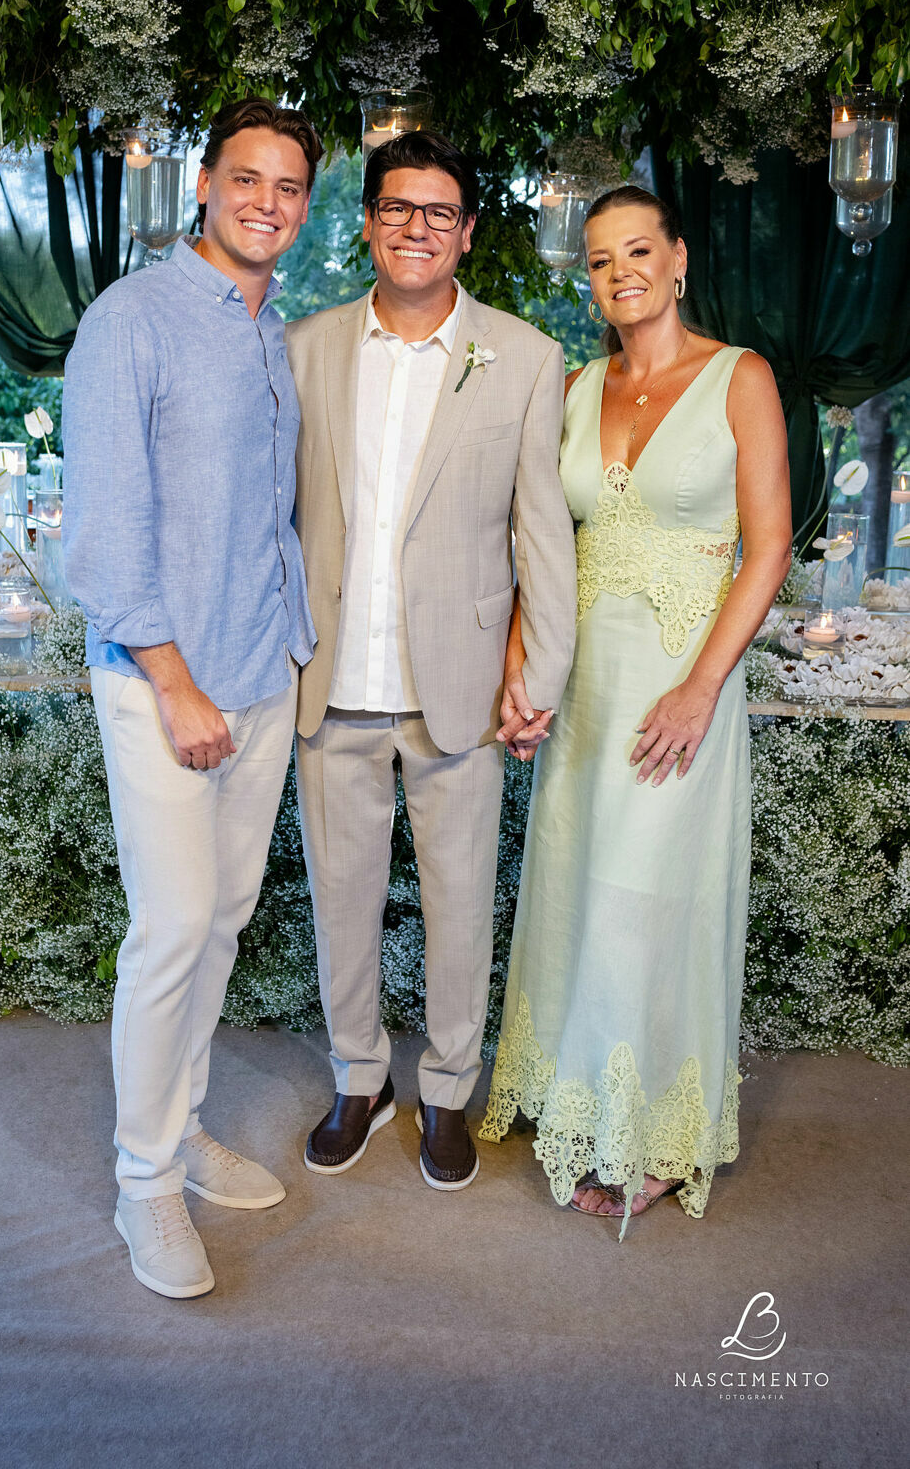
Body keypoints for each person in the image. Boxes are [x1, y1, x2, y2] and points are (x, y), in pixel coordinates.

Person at [480, 185, 792, 1237]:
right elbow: (539, 550)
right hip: (583, 686)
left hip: (676, 686)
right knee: (573, 888)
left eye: (637, 251)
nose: (619, 271)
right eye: (600, 259)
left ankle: (642, 1131)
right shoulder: (573, 387)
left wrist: (702, 685)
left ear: (677, 259)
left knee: (646, 901)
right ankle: (572, 1094)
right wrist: (522, 672)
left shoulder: (737, 378)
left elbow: (769, 548)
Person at [62, 98, 323, 1297]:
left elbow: (264, 517)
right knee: (170, 929)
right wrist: (172, 682)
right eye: (247, 180)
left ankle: (183, 1126)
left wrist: (292, 653)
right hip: (169, 683)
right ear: (204, 187)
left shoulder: (272, 332)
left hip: (261, 672)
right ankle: (141, 1185)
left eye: (288, 187)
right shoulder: (133, 321)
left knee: (219, 922)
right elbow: (107, 532)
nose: (267, 202)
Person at [286, 131, 577, 1191]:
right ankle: (357, 1079)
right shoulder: (303, 346)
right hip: (328, 683)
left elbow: (539, 533)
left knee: (461, 906)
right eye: (396, 208)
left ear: (464, 232)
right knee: (339, 901)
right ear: (365, 221)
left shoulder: (524, 356)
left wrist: (534, 676)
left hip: (456, 692)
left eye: (438, 212)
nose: (416, 228)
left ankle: (448, 1088)